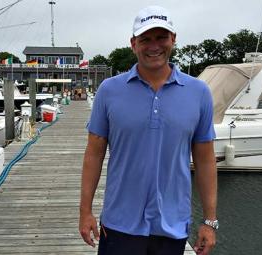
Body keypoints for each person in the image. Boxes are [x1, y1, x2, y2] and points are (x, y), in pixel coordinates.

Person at [79, 5, 218, 255]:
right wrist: (85, 211)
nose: (154, 46)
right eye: (146, 39)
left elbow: (206, 159)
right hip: (119, 224)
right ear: (134, 43)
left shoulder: (199, 93)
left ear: (173, 39)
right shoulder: (109, 91)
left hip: (172, 226)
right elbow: (94, 154)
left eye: (161, 37)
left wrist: (209, 221)